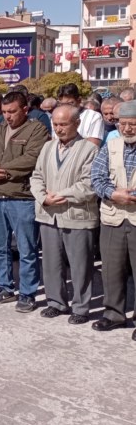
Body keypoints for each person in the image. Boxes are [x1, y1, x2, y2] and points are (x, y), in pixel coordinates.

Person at [0, 91, 50, 312]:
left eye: (12, 112)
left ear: (25, 110)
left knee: (27, 249)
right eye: (5, 111)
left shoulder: (37, 129)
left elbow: (31, 159)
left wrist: (1, 171)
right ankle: (5, 287)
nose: (7, 116)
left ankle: (27, 293)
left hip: (21, 198)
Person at [31, 104, 98, 325]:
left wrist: (61, 195)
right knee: (51, 262)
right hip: (49, 213)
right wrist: (43, 197)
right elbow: (37, 175)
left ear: (77, 124)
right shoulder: (48, 147)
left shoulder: (89, 149)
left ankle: (81, 307)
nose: (58, 129)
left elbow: (89, 183)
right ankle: (56, 303)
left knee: (80, 264)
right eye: (56, 124)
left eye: (63, 124)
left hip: (76, 215)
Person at [90, 100, 136, 337]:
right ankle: (113, 314)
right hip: (113, 217)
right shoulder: (111, 146)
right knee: (112, 269)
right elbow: (96, 177)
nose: (127, 129)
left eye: (132, 124)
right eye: (123, 124)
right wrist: (113, 193)